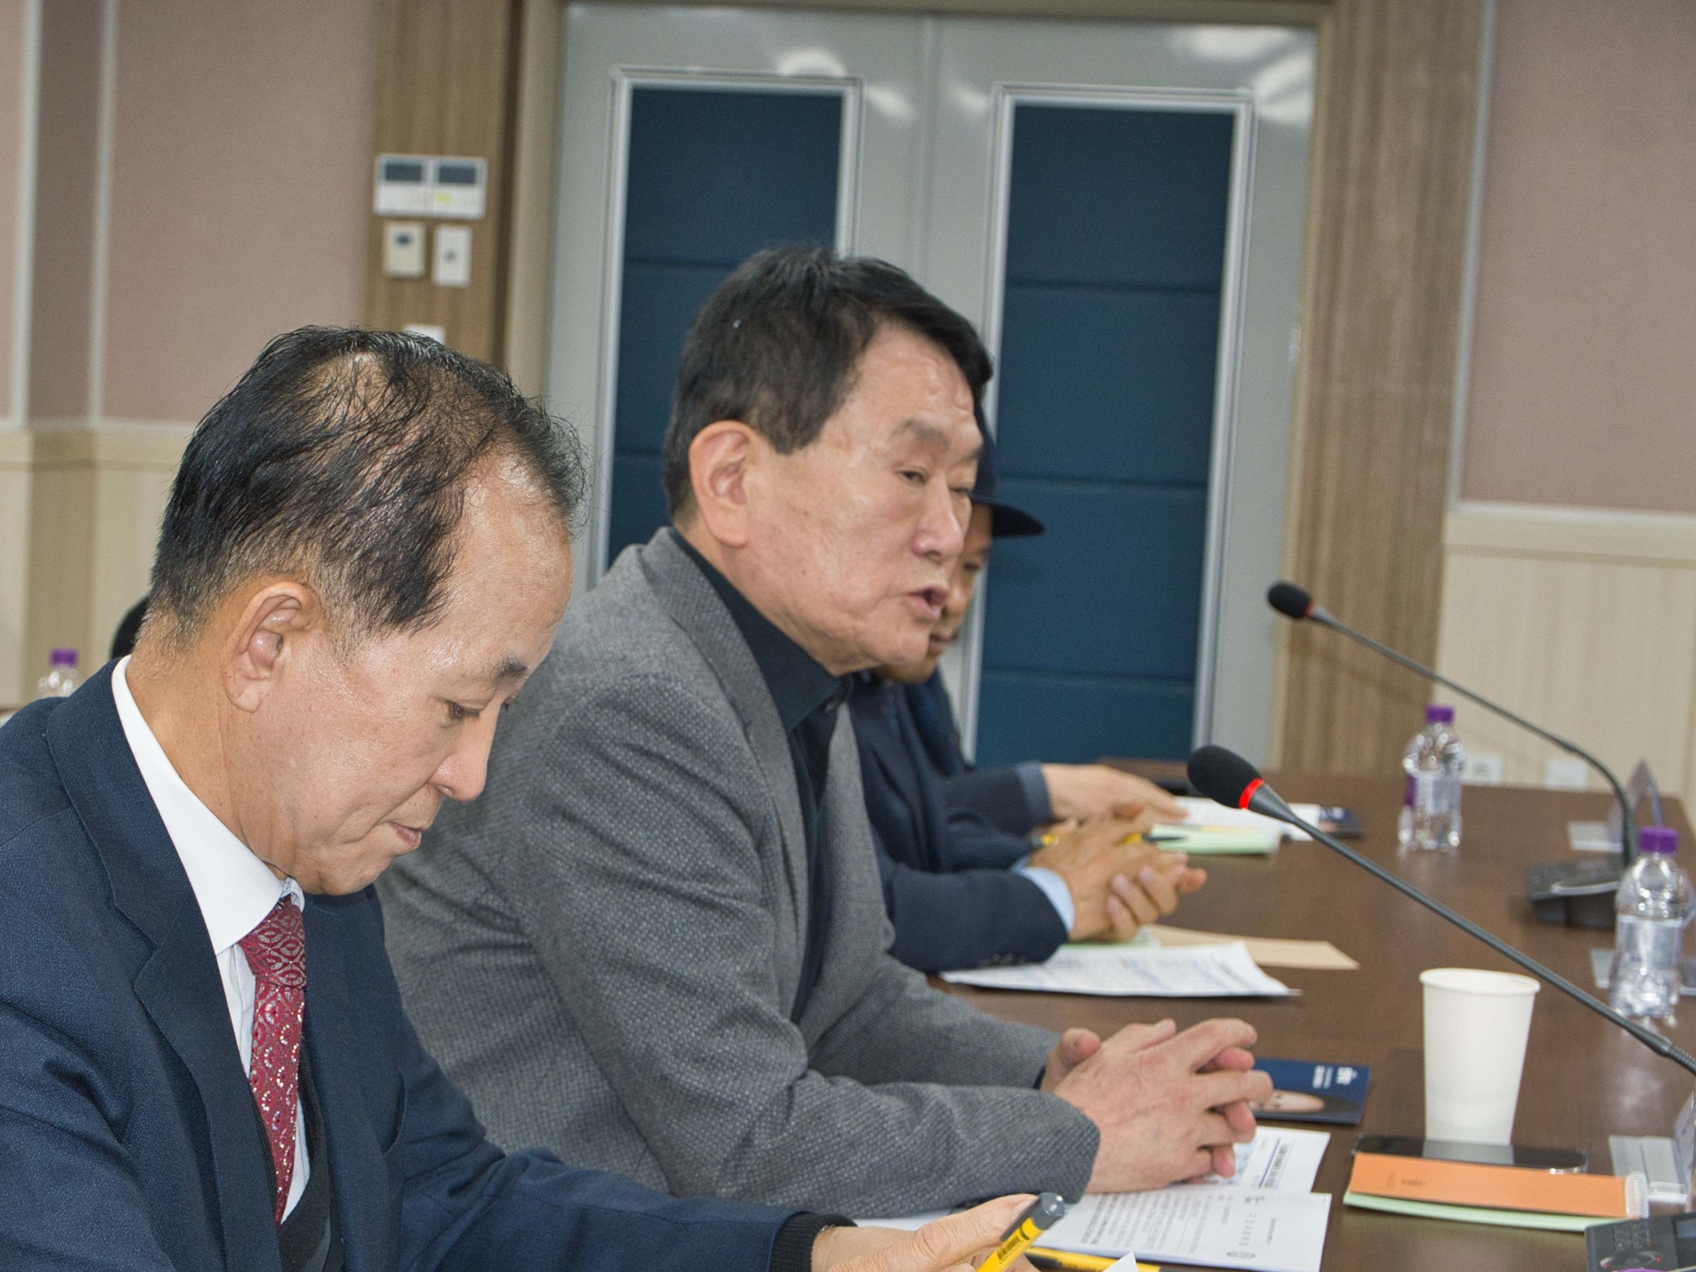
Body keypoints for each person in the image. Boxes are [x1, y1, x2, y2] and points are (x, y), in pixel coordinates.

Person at [0, 328, 1063, 1272]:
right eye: (457, 705)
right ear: (271, 640)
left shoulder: (309, 862)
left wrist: (811, 1252)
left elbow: (449, 1197)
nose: (472, 772)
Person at [380, 247, 1267, 1220]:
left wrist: (1050, 1070)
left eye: (960, 483)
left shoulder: (781, 663)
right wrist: (1076, 1131)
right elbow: (749, 1144)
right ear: (732, 479)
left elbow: (848, 1003)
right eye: (912, 472)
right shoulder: (628, 704)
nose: (948, 530)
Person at [849, 423, 1194, 974]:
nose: (950, 597)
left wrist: (1064, 866)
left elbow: (931, 834)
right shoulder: (837, 674)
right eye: (936, 561)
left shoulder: (901, 672)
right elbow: (877, 911)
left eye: (969, 568)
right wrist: (1053, 888)